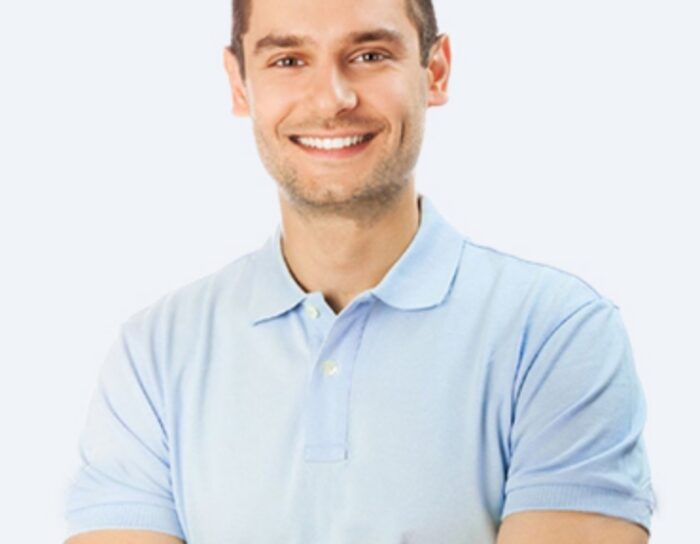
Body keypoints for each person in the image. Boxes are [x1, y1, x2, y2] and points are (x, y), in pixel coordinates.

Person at [63, 0, 657, 542]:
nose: (331, 99)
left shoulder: (556, 334)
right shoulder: (156, 354)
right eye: (288, 60)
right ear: (240, 84)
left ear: (435, 71)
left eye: (370, 55)